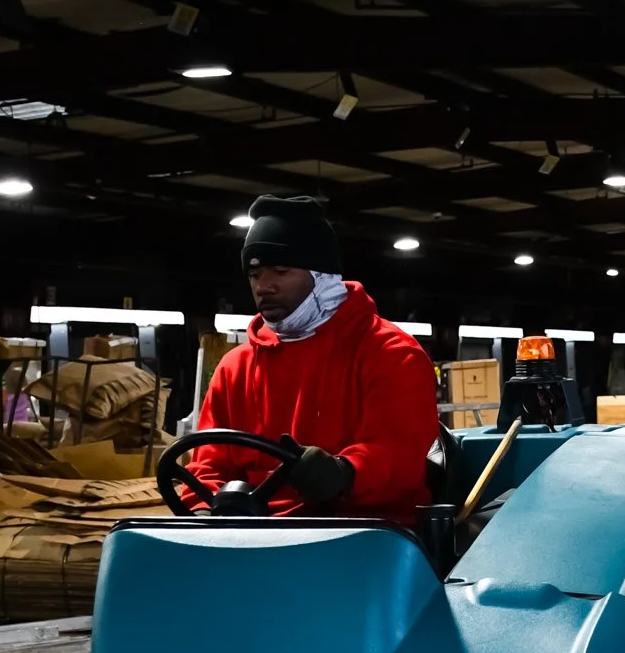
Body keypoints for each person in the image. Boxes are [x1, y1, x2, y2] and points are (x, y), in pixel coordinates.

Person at [183, 195, 437, 523]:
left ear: (322, 275)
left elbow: (399, 456)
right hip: (255, 531)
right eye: (255, 274)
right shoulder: (235, 368)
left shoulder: (391, 354)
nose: (264, 287)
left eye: (281, 271)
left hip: (365, 532)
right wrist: (204, 509)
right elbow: (208, 465)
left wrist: (344, 472)